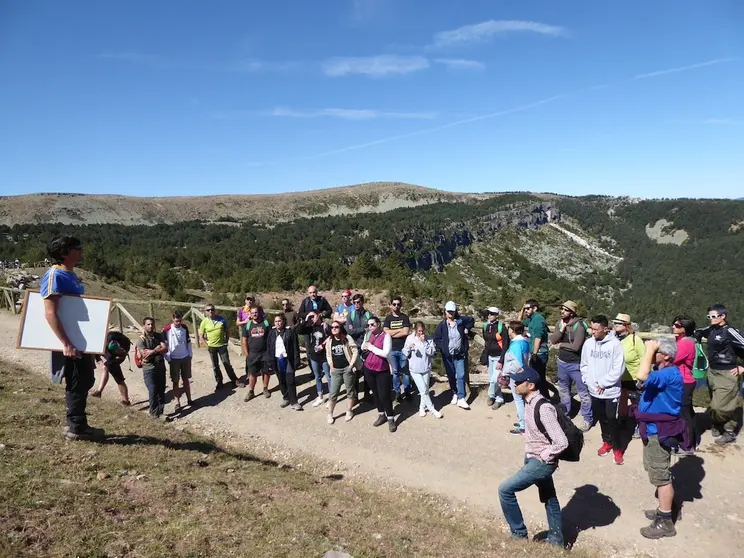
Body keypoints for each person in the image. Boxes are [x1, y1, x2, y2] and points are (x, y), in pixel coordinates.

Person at [41, 235, 104, 441]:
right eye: (77, 247)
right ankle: (76, 427)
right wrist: (66, 343)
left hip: (81, 340)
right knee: (77, 380)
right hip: (69, 342)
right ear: (65, 252)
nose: (81, 249)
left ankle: (79, 424)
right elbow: (50, 312)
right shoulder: (54, 275)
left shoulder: (71, 274)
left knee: (86, 378)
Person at [498, 367, 567, 547]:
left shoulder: (543, 407)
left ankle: (519, 534)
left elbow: (561, 441)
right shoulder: (527, 402)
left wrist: (543, 456)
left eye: (519, 382)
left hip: (541, 461)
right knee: (549, 498)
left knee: (505, 490)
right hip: (533, 457)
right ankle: (557, 540)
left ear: (531, 385)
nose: (515, 384)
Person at [633, 338, 684, 539]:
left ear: (666, 356)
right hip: (653, 429)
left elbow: (641, 375)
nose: (651, 354)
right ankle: (665, 509)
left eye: (655, 351)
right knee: (656, 471)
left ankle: (665, 522)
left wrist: (649, 348)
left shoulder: (668, 373)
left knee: (661, 476)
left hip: (659, 431)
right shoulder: (664, 372)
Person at [694, 304, 744, 445]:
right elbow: (699, 331)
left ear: (723, 316)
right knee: (715, 401)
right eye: (709, 316)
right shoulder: (711, 329)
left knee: (720, 406)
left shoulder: (731, 331)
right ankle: (718, 424)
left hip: (728, 373)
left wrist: (743, 367)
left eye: (714, 316)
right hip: (712, 372)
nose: (711, 319)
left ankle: (730, 431)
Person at [582, 315, 625, 464]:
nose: (592, 332)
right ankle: (607, 442)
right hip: (594, 390)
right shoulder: (588, 344)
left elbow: (618, 369)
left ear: (605, 329)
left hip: (610, 391)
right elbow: (584, 365)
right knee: (601, 419)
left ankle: (618, 448)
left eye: (595, 329)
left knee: (612, 419)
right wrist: (588, 382)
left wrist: (603, 383)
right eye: (591, 328)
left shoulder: (615, 345)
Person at [549, 300, 592, 432]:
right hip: (562, 362)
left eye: (566, 310)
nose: (562, 311)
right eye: (562, 309)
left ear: (572, 313)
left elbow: (576, 346)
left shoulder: (578, 326)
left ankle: (587, 418)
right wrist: (561, 329)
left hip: (576, 364)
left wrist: (561, 345)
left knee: (583, 392)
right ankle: (565, 413)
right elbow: (553, 340)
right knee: (563, 390)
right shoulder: (561, 323)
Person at [433, 301, 475, 410]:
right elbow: (436, 338)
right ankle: (455, 393)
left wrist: (467, 329)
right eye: (449, 311)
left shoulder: (461, 321)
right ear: (445, 312)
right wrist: (443, 348)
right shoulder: (442, 325)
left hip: (459, 353)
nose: (451, 313)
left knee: (460, 375)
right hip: (448, 356)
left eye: (452, 311)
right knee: (451, 375)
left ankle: (461, 398)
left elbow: (471, 320)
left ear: (455, 311)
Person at [362, 316, 397, 432]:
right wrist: (365, 345)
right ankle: (381, 414)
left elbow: (386, 353)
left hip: (382, 369)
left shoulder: (386, 336)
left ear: (378, 324)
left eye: (372, 324)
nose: (370, 327)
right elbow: (363, 346)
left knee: (384, 395)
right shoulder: (368, 335)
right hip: (368, 368)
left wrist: (371, 347)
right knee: (375, 393)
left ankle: (390, 417)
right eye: (368, 325)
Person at [613, 313, 645, 434]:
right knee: (621, 401)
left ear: (626, 325)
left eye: (619, 323)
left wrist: (641, 379)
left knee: (636, 403)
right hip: (618, 377)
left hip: (633, 377)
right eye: (615, 323)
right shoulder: (613, 339)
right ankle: (623, 421)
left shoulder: (635, 340)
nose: (615, 325)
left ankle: (639, 424)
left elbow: (643, 359)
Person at [404, 321, 443, 418]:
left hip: (426, 368)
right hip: (414, 369)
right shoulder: (410, 338)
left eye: (422, 331)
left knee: (424, 389)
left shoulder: (428, 339)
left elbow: (432, 352)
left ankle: (421, 407)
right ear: (415, 331)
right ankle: (432, 409)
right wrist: (409, 348)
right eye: (419, 331)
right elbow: (404, 352)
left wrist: (425, 343)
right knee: (424, 390)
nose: (421, 333)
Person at [671, 316, 698, 454]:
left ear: (685, 329)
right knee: (688, 413)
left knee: (683, 413)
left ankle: (687, 446)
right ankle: (693, 440)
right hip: (686, 380)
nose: (673, 327)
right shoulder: (683, 340)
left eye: (677, 325)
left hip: (684, 382)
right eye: (674, 324)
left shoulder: (685, 343)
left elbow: (672, 358)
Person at [199, 304, 240, 391]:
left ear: (215, 310)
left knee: (227, 363)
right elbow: (201, 336)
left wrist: (226, 341)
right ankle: (219, 382)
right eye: (208, 310)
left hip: (222, 346)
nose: (211, 311)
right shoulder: (204, 322)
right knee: (215, 366)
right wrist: (207, 346)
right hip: (211, 347)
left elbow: (227, 331)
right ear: (205, 312)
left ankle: (234, 380)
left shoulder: (221, 319)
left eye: (212, 309)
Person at [325, 321, 360, 424]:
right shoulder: (330, 340)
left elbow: (355, 351)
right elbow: (328, 354)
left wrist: (351, 365)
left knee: (350, 391)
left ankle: (349, 411)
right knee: (333, 393)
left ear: (340, 328)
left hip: (347, 369)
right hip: (336, 370)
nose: (334, 329)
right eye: (332, 327)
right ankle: (330, 413)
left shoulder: (347, 338)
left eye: (337, 327)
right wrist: (331, 364)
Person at [134, 316, 168, 419]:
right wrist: (157, 348)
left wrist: (152, 351)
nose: (151, 326)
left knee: (161, 390)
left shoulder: (159, 336)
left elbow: (165, 348)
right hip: (148, 368)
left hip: (160, 367)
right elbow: (144, 355)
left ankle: (160, 412)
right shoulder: (141, 340)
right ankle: (153, 413)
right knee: (152, 390)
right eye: (148, 324)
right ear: (144, 326)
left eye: (152, 324)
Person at [267, 313, 302, 410]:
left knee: (290, 380)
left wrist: (296, 360)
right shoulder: (271, 333)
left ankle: (294, 401)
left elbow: (295, 347)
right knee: (281, 380)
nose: (278, 323)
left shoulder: (290, 332)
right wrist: (270, 361)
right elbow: (269, 348)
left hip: (288, 360)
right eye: (276, 321)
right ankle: (286, 397)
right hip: (277, 360)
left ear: (283, 321)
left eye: (280, 321)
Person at [91, 329, 132, 407]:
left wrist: (105, 362)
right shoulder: (98, 343)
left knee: (107, 368)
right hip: (114, 353)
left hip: (119, 354)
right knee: (117, 377)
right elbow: (99, 359)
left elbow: (107, 360)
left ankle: (99, 392)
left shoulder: (106, 344)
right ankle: (126, 401)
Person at [520, 299, 552, 398]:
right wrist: (522, 309)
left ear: (535, 308)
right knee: (538, 378)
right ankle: (544, 399)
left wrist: (534, 354)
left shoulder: (538, 319)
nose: (526, 310)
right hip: (535, 353)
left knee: (538, 379)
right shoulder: (531, 319)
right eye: (525, 309)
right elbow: (518, 322)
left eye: (528, 308)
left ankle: (544, 400)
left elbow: (538, 337)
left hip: (539, 354)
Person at [503, 321, 531, 434]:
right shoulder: (524, 342)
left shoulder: (515, 345)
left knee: (518, 401)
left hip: (517, 375)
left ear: (513, 330)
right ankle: (524, 421)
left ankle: (523, 425)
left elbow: (517, 363)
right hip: (525, 373)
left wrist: (507, 372)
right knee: (523, 400)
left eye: (509, 328)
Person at [383, 295, 412, 403]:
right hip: (391, 349)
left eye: (398, 304)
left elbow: (406, 332)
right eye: (394, 304)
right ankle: (397, 392)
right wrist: (399, 330)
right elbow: (386, 332)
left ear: (401, 305)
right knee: (395, 372)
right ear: (391, 305)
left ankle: (407, 391)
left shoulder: (405, 317)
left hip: (403, 348)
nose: (396, 306)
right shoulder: (388, 318)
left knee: (405, 372)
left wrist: (392, 333)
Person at [163, 310, 193, 410]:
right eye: (176, 321)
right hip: (174, 358)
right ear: (173, 319)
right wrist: (168, 357)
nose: (178, 323)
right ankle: (177, 402)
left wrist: (190, 354)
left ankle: (189, 399)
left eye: (180, 321)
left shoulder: (184, 328)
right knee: (175, 381)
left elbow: (188, 341)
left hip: (185, 357)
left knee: (186, 380)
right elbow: (164, 344)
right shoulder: (167, 329)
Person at [241, 306, 272, 401]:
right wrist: (247, 354)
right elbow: (244, 340)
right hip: (253, 354)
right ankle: (251, 391)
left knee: (266, 372)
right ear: (250, 314)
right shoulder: (248, 325)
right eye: (253, 312)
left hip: (265, 353)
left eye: (256, 312)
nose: (255, 314)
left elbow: (271, 338)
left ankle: (265, 388)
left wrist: (270, 352)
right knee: (252, 374)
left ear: (259, 313)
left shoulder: (266, 323)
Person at [482, 307, 510, 409]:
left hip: (499, 357)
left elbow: (506, 345)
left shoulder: (502, 327)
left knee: (494, 380)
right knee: (492, 379)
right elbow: (486, 342)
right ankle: (499, 399)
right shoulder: (486, 326)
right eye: (488, 314)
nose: (489, 315)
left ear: (497, 315)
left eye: (492, 314)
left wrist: (501, 360)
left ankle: (491, 395)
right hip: (490, 357)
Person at [347, 293, 372, 401]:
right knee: (355, 372)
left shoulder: (368, 315)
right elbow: (349, 331)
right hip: (355, 346)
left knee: (367, 371)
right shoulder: (351, 315)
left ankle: (367, 394)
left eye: (358, 302)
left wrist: (358, 330)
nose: (356, 304)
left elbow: (371, 329)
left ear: (362, 302)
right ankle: (355, 395)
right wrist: (363, 329)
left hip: (366, 346)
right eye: (354, 302)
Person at [307, 317, 332, 407]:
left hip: (324, 356)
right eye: (311, 317)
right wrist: (307, 317)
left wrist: (323, 344)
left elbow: (331, 336)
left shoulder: (325, 326)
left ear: (319, 316)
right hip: (314, 356)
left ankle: (331, 398)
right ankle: (320, 396)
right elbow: (299, 329)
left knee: (328, 377)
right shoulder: (311, 327)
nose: (312, 319)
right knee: (317, 376)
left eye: (313, 316)